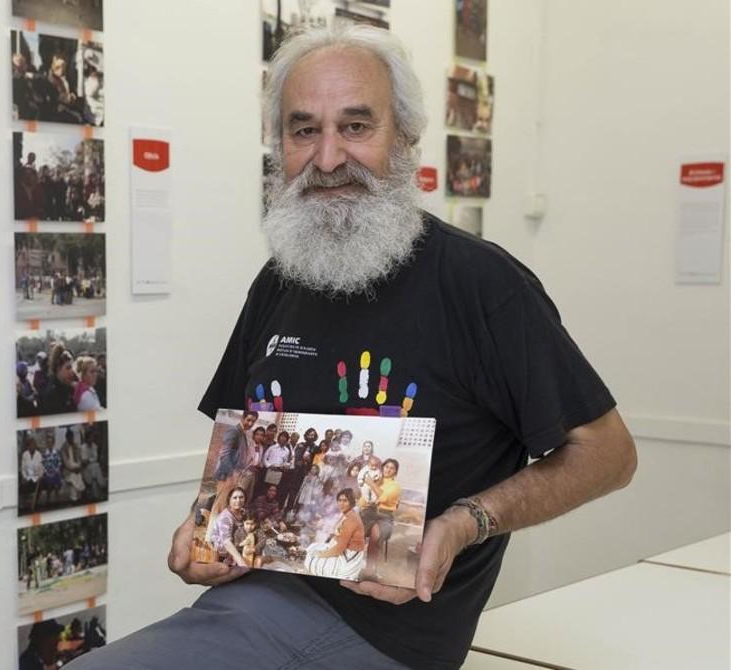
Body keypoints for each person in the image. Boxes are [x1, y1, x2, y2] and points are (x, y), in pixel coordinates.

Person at [73, 23, 635, 670]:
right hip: (250, 605)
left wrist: (464, 523)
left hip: (384, 639)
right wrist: (208, 528)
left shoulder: (481, 285)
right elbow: (238, 449)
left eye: (357, 127)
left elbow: (610, 454)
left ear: (404, 141)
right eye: (304, 130)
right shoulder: (278, 281)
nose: (329, 157)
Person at [304, 488, 367, 581]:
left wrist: (321, 554)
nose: (341, 503)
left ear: (352, 502)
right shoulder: (348, 513)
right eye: (339, 500)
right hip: (345, 550)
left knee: (310, 561)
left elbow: (339, 549)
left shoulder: (350, 520)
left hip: (349, 557)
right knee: (312, 547)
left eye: (345, 501)